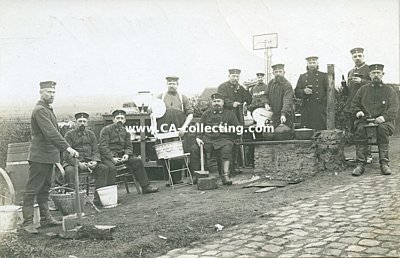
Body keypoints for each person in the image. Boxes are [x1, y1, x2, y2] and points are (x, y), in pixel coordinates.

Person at [22, 81, 79, 234]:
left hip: (49, 156)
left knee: (45, 188)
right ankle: (27, 222)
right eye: (48, 92)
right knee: (32, 189)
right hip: (39, 156)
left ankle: (46, 218)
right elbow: (50, 133)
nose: (52, 95)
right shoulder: (40, 110)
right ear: (41, 93)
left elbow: (52, 128)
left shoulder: (47, 109)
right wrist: (67, 147)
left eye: (53, 92)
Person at [350, 64, 399, 176]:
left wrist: (384, 117)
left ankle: (384, 164)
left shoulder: (389, 90)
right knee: (360, 130)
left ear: (382, 74)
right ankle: (360, 164)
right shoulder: (363, 90)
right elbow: (354, 104)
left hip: (384, 121)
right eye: (373, 73)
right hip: (365, 120)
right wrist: (358, 111)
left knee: (382, 130)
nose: (376, 75)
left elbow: (394, 107)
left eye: (378, 73)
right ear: (369, 75)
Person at [99, 109, 159, 194]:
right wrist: (112, 158)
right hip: (109, 156)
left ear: (125, 120)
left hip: (122, 155)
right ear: (113, 120)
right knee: (111, 168)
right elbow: (103, 147)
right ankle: (111, 193)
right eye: (117, 118)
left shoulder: (125, 131)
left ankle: (145, 187)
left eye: (122, 118)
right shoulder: (106, 130)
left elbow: (129, 146)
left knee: (137, 161)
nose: (120, 120)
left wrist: (127, 154)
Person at [63, 112, 113, 207]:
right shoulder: (69, 135)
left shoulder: (91, 134)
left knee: (104, 168)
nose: (82, 123)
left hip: (89, 162)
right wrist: (78, 163)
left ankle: (98, 199)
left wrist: (95, 160)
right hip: (73, 162)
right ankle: (73, 202)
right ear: (76, 122)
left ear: (87, 123)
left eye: (84, 121)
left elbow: (96, 150)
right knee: (70, 171)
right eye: (80, 121)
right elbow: (67, 153)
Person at [190, 93, 241, 185]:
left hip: (224, 140)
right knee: (194, 149)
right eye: (214, 101)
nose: (216, 103)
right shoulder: (206, 114)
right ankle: (196, 176)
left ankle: (225, 176)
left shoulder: (230, 114)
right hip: (208, 140)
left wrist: (227, 129)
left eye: (218, 101)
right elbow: (200, 127)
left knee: (227, 148)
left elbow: (238, 129)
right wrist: (198, 138)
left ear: (223, 102)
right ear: (211, 103)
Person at [154, 76, 194, 185]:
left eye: (174, 83)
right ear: (166, 84)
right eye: (170, 83)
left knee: (178, 150)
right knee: (165, 151)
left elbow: (190, 114)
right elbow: (154, 114)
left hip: (179, 128)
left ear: (177, 85)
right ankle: (169, 179)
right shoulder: (160, 97)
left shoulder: (182, 98)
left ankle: (178, 179)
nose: (172, 85)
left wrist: (184, 127)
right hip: (164, 129)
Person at [218, 68, 252, 170]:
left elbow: (249, 100)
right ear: (229, 76)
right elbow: (222, 99)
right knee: (227, 141)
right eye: (233, 76)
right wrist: (232, 104)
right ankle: (228, 168)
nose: (235, 78)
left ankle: (237, 165)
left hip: (238, 117)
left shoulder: (240, 88)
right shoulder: (222, 87)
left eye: (237, 76)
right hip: (226, 118)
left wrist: (246, 89)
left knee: (237, 140)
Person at [341, 47, 371, 134]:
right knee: (353, 130)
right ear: (352, 58)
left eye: (359, 56)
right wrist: (344, 86)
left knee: (364, 129)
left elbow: (375, 85)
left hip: (364, 105)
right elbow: (349, 92)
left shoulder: (369, 69)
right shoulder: (351, 72)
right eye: (355, 56)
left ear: (363, 56)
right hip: (352, 105)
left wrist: (361, 81)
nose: (357, 58)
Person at [295, 56, 328, 130]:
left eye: (314, 62)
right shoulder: (302, 77)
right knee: (307, 132)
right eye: (310, 63)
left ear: (317, 63)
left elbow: (329, 92)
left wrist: (323, 102)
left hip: (319, 109)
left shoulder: (323, 76)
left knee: (320, 130)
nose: (312, 65)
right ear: (307, 64)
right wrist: (303, 91)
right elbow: (296, 91)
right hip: (307, 109)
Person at [265, 64, 294, 128]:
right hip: (274, 115)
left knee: (285, 133)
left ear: (284, 72)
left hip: (286, 116)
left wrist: (283, 114)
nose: (278, 74)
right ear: (273, 73)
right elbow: (265, 95)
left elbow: (287, 100)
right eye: (276, 72)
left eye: (280, 71)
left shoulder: (287, 85)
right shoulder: (270, 83)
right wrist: (266, 103)